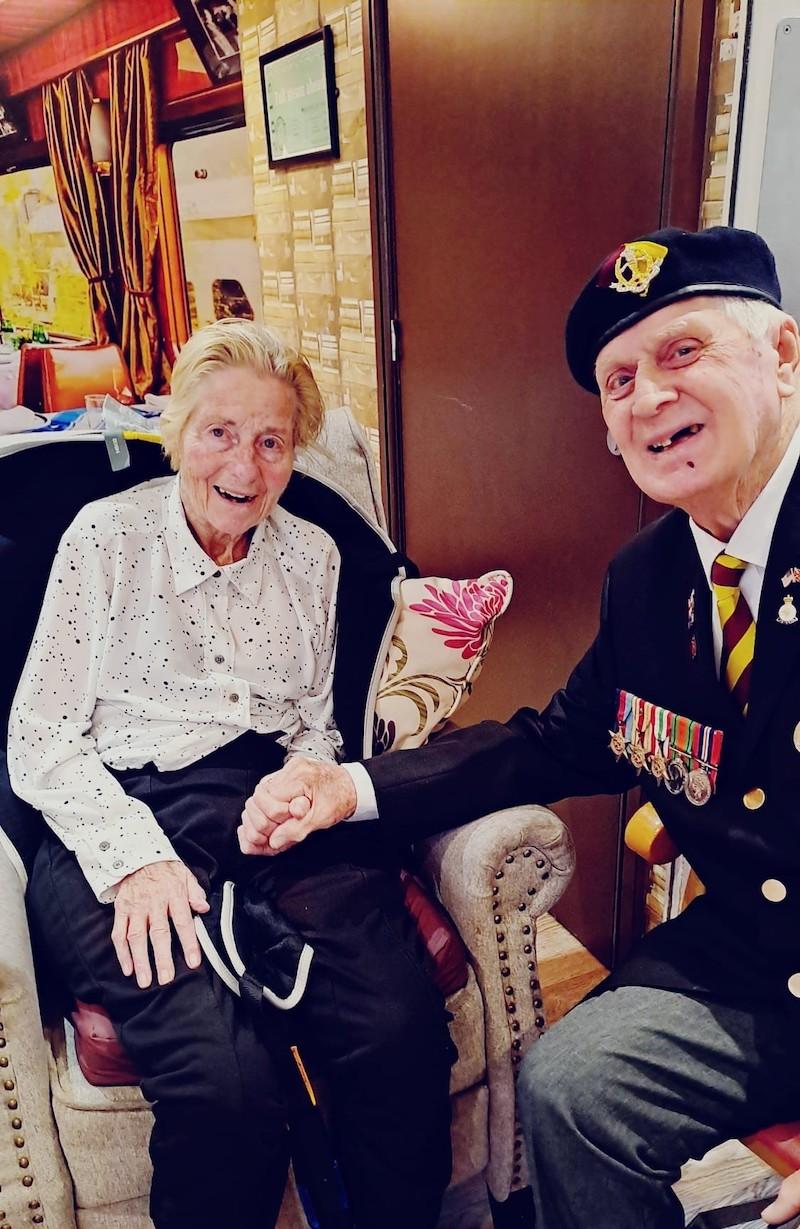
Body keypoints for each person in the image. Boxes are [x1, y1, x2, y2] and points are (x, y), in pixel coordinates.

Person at [241, 226, 800, 1227]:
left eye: (682, 352)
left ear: (782, 355)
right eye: (619, 380)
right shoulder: (649, 579)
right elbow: (553, 741)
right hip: (752, 958)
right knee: (570, 1089)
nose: (649, 397)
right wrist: (349, 786)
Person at [7, 319, 452, 1229]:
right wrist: (135, 856)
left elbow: (316, 723)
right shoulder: (106, 538)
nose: (244, 465)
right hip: (117, 806)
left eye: (271, 441)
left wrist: (305, 781)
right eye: (220, 432)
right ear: (179, 430)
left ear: (293, 455)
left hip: (266, 801)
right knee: (228, 1083)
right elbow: (39, 735)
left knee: (397, 1028)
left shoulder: (313, 555)